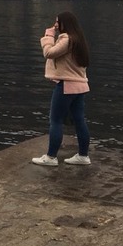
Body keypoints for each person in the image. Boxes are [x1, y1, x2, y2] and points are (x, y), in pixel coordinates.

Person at [31, 11, 92, 166]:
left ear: (66, 23)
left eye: (58, 22)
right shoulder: (79, 40)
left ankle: (51, 157)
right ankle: (83, 156)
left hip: (66, 85)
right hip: (80, 86)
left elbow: (48, 53)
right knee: (79, 120)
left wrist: (48, 36)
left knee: (56, 120)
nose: (56, 25)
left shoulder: (67, 39)